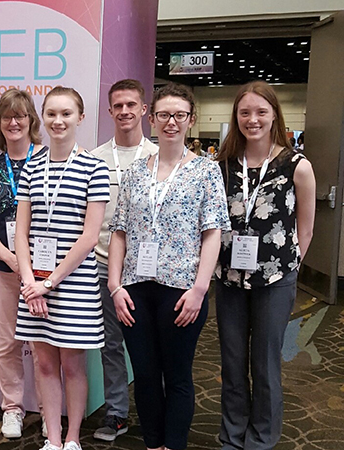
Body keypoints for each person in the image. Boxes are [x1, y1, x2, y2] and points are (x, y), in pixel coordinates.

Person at [109, 83, 230, 450]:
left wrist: (200, 289)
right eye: (164, 115)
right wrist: (115, 287)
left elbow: (212, 234)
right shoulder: (133, 173)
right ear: (152, 118)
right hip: (134, 291)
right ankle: (152, 443)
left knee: (177, 376)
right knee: (145, 375)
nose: (171, 122)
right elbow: (119, 232)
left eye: (179, 115)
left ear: (191, 120)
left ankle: (172, 444)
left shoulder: (206, 172)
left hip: (182, 291)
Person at [214, 81, 315, 450]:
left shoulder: (295, 165)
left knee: (266, 365)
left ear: (274, 115)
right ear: (236, 117)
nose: (252, 119)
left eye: (260, 112)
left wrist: (290, 268)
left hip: (275, 280)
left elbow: (305, 226)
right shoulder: (221, 166)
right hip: (228, 280)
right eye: (245, 112)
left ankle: (261, 439)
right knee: (232, 363)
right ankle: (232, 435)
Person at [15, 86, 110, 450]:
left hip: (73, 283)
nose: (58, 121)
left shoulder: (94, 167)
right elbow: (21, 233)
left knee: (72, 365)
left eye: (66, 114)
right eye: (52, 113)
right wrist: (29, 283)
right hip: (33, 283)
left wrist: (49, 283)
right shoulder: (31, 166)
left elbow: (89, 237)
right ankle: (52, 440)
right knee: (43, 365)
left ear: (80, 118)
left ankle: (72, 439)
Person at [0, 89, 46, 439]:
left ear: (31, 121)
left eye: (20, 116)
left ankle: (50, 408)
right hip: (3, 270)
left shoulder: (50, 162)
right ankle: (12, 409)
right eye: (6, 117)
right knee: (7, 343)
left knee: (48, 342)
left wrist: (32, 264)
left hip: (46, 275)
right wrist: (8, 257)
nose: (14, 122)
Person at [90, 79, 157, 443]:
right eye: (118, 106)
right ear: (110, 111)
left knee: (148, 347)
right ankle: (117, 413)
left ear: (144, 109)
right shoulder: (96, 158)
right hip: (102, 265)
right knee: (110, 345)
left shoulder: (159, 157)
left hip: (145, 270)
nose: (125, 112)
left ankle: (152, 412)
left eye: (132, 105)